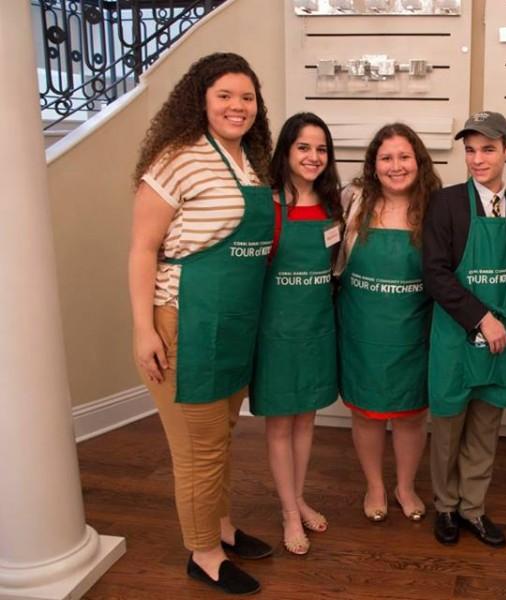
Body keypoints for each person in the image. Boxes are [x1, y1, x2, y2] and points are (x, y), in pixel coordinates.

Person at [128, 53, 275, 595]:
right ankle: (203, 554)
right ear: (201, 100)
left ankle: (222, 527)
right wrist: (144, 330)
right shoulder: (177, 159)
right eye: (225, 96)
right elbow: (143, 249)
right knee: (198, 450)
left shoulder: (249, 163)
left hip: (233, 325)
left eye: (247, 98)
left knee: (224, 437)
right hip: (184, 324)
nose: (238, 107)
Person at [423, 111, 506, 548]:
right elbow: (436, 274)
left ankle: (472, 509)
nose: (477, 159)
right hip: (457, 334)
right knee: (447, 427)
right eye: (470, 150)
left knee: (485, 426)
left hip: (502, 338)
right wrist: (483, 317)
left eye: (487, 149)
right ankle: (445, 506)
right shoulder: (446, 203)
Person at [336, 123, 442, 523]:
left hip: (414, 329)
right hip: (362, 328)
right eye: (386, 158)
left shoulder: (436, 205)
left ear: (418, 161)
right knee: (365, 413)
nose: (396, 166)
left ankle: (405, 485)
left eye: (404, 157)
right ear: (373, 164)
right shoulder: (353, 200)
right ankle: (375, 486)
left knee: (411, 413)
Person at [250, 112, 342, 555]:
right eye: (303, 147)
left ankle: (298, 497)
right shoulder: (265, 207)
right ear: (285, 151)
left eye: (321, 148)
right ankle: (288, 513)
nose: (313, 156)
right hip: (277, 335)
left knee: (307, 419)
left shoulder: (334, 205)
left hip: (317, 330)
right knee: (280, 423)